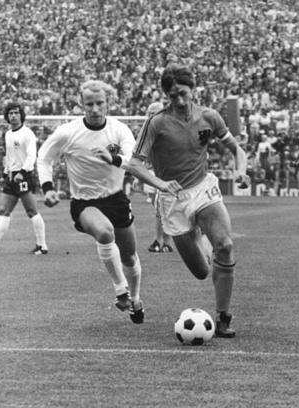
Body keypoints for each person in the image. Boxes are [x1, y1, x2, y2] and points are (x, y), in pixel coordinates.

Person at [126, 64, 250, 338]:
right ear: (166, 97)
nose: (180, 101)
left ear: (193, 90)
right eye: (173, 96)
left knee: (226, 246)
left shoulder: (209, 117)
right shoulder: (156, 123)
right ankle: (197, 236)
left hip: (203, 189)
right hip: (173, 200)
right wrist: (160, 184)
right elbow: (134, 165)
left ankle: (223, 317)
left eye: (183, 93)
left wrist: (241, 172)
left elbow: (236, 150)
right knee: (202, 271)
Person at [36, 80, 144, 324]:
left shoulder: (119, 130)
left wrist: (113, 158)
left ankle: (136, 299)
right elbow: (44, 158)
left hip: (116, 199)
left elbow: (133, 159)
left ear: (108, 103)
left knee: (129, 256)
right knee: (105, 233)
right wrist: (48, 188)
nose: (95, 109)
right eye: (89, 104)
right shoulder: (68, 132)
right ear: (80, 104)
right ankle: (121, 291)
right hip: (85, 203)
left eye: (100, 103)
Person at [0, 102, 48, 255]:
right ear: (7, 117)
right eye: (10, 113)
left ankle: (42, 246)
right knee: (3, 210)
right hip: (12, 176)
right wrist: (4, 174)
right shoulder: (8, 134)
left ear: (21, 115)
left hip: (24, 175)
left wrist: (22, 172)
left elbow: (31, 156)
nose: (13, 115)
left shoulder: (27, 133)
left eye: (16, 112)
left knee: (31, 210)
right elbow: (9, 157)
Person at [143, 101, 173, 254]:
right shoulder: (148, 131)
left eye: (152, 112)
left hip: (171, 175)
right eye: (148, 113)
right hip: (156, 175)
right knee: (161, 209)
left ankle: (163, 241)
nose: (149, 115)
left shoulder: (169, 129)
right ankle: (163, 241)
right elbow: (141, 156)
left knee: (164, 210)